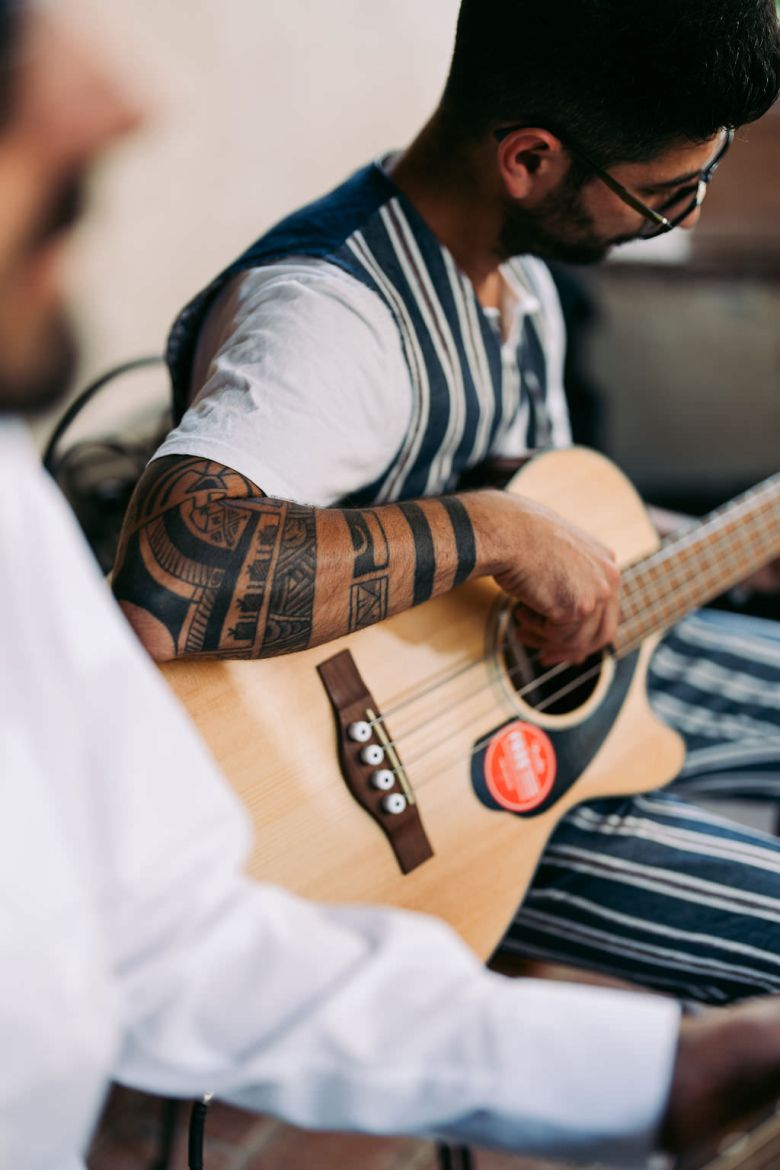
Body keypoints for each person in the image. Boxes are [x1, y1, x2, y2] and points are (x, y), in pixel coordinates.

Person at [13, 3, 780, 1169]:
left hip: (543, 716)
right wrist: (492, 532)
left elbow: (552, 528)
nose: (684, 215)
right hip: (425, 818)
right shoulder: (330, 317)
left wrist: (716, 542)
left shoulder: (506, 279)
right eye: (662, 196)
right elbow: (175, 581)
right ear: (530, 161)